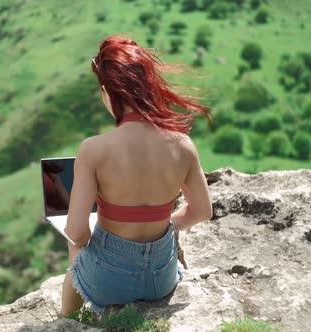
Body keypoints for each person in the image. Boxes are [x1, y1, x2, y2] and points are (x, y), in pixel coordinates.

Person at [61, 35, 213, 317]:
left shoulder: (93, 150)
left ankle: (68, 319)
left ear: (108, 92)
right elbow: (202, 211)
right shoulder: (182, 145)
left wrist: (94, 239)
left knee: (72, 242)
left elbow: (78, 231)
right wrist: (159, 225)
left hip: (108, 284)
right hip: (160, 280)